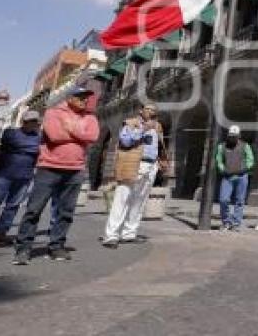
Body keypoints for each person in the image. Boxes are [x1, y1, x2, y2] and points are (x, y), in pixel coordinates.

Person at [13, 87, 99, 264]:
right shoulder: (53, 113)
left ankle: (57, 246)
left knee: (66, 212)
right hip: (49, 168)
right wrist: (79, 135)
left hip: (75, 170)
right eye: (80, 97)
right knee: (34, 210)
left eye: (86, 98)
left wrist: (72, 129)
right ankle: (23, 249)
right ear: (69, 98)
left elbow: (93, 136)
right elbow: (55, 135)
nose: (85, 100)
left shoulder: (90, 117)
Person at [102, 104, 168, 248]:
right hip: (134, 164)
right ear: (141, 111)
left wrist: (160, 161)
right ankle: (111, 235)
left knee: (139, 201)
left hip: (151, 166)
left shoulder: (157, 127)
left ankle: (129, 233)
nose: (151, 112)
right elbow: (125, 141)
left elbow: (160, 146)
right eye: (148, 109)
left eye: (154, 110)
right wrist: (144, 129)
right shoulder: (131, 123)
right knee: (122, 199)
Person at [0, 111, 42, 246]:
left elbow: (38, 150)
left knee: (13, 206)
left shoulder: (39, 137)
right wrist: (33, 149)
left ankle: (0, 233)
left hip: (24, 177)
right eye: (28, 121)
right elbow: (22, 145)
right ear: (23, 121)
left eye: (34, 121)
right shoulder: (10, 132)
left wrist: (26, 149)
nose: (31, 124)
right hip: (4, 174)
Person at [215, 126, 254, 232]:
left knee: (240, 200)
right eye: (231, 136)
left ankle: (236, 223)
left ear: (239, 136)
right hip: (227, 177)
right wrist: (223, 170)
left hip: (241, 176)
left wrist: (244, 169)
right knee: (223, 199)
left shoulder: (245, 146)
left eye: (234, 136)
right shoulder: (221, 147)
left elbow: (250, 160)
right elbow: (219, 160)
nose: (232, 138)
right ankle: (226, 222)